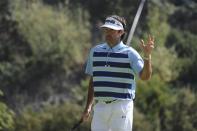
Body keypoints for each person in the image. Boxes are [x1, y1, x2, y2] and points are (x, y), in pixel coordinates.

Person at [81, 15, 154, 131]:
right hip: (100, 106)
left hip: (121, 106)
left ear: (121, 32)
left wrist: (147, 56)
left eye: (111, 30)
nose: (107, 33)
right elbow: (93, 80)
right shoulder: (95, 51)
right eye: (106, 30)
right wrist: (88, 106)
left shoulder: (131, 53)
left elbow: (145, 77)